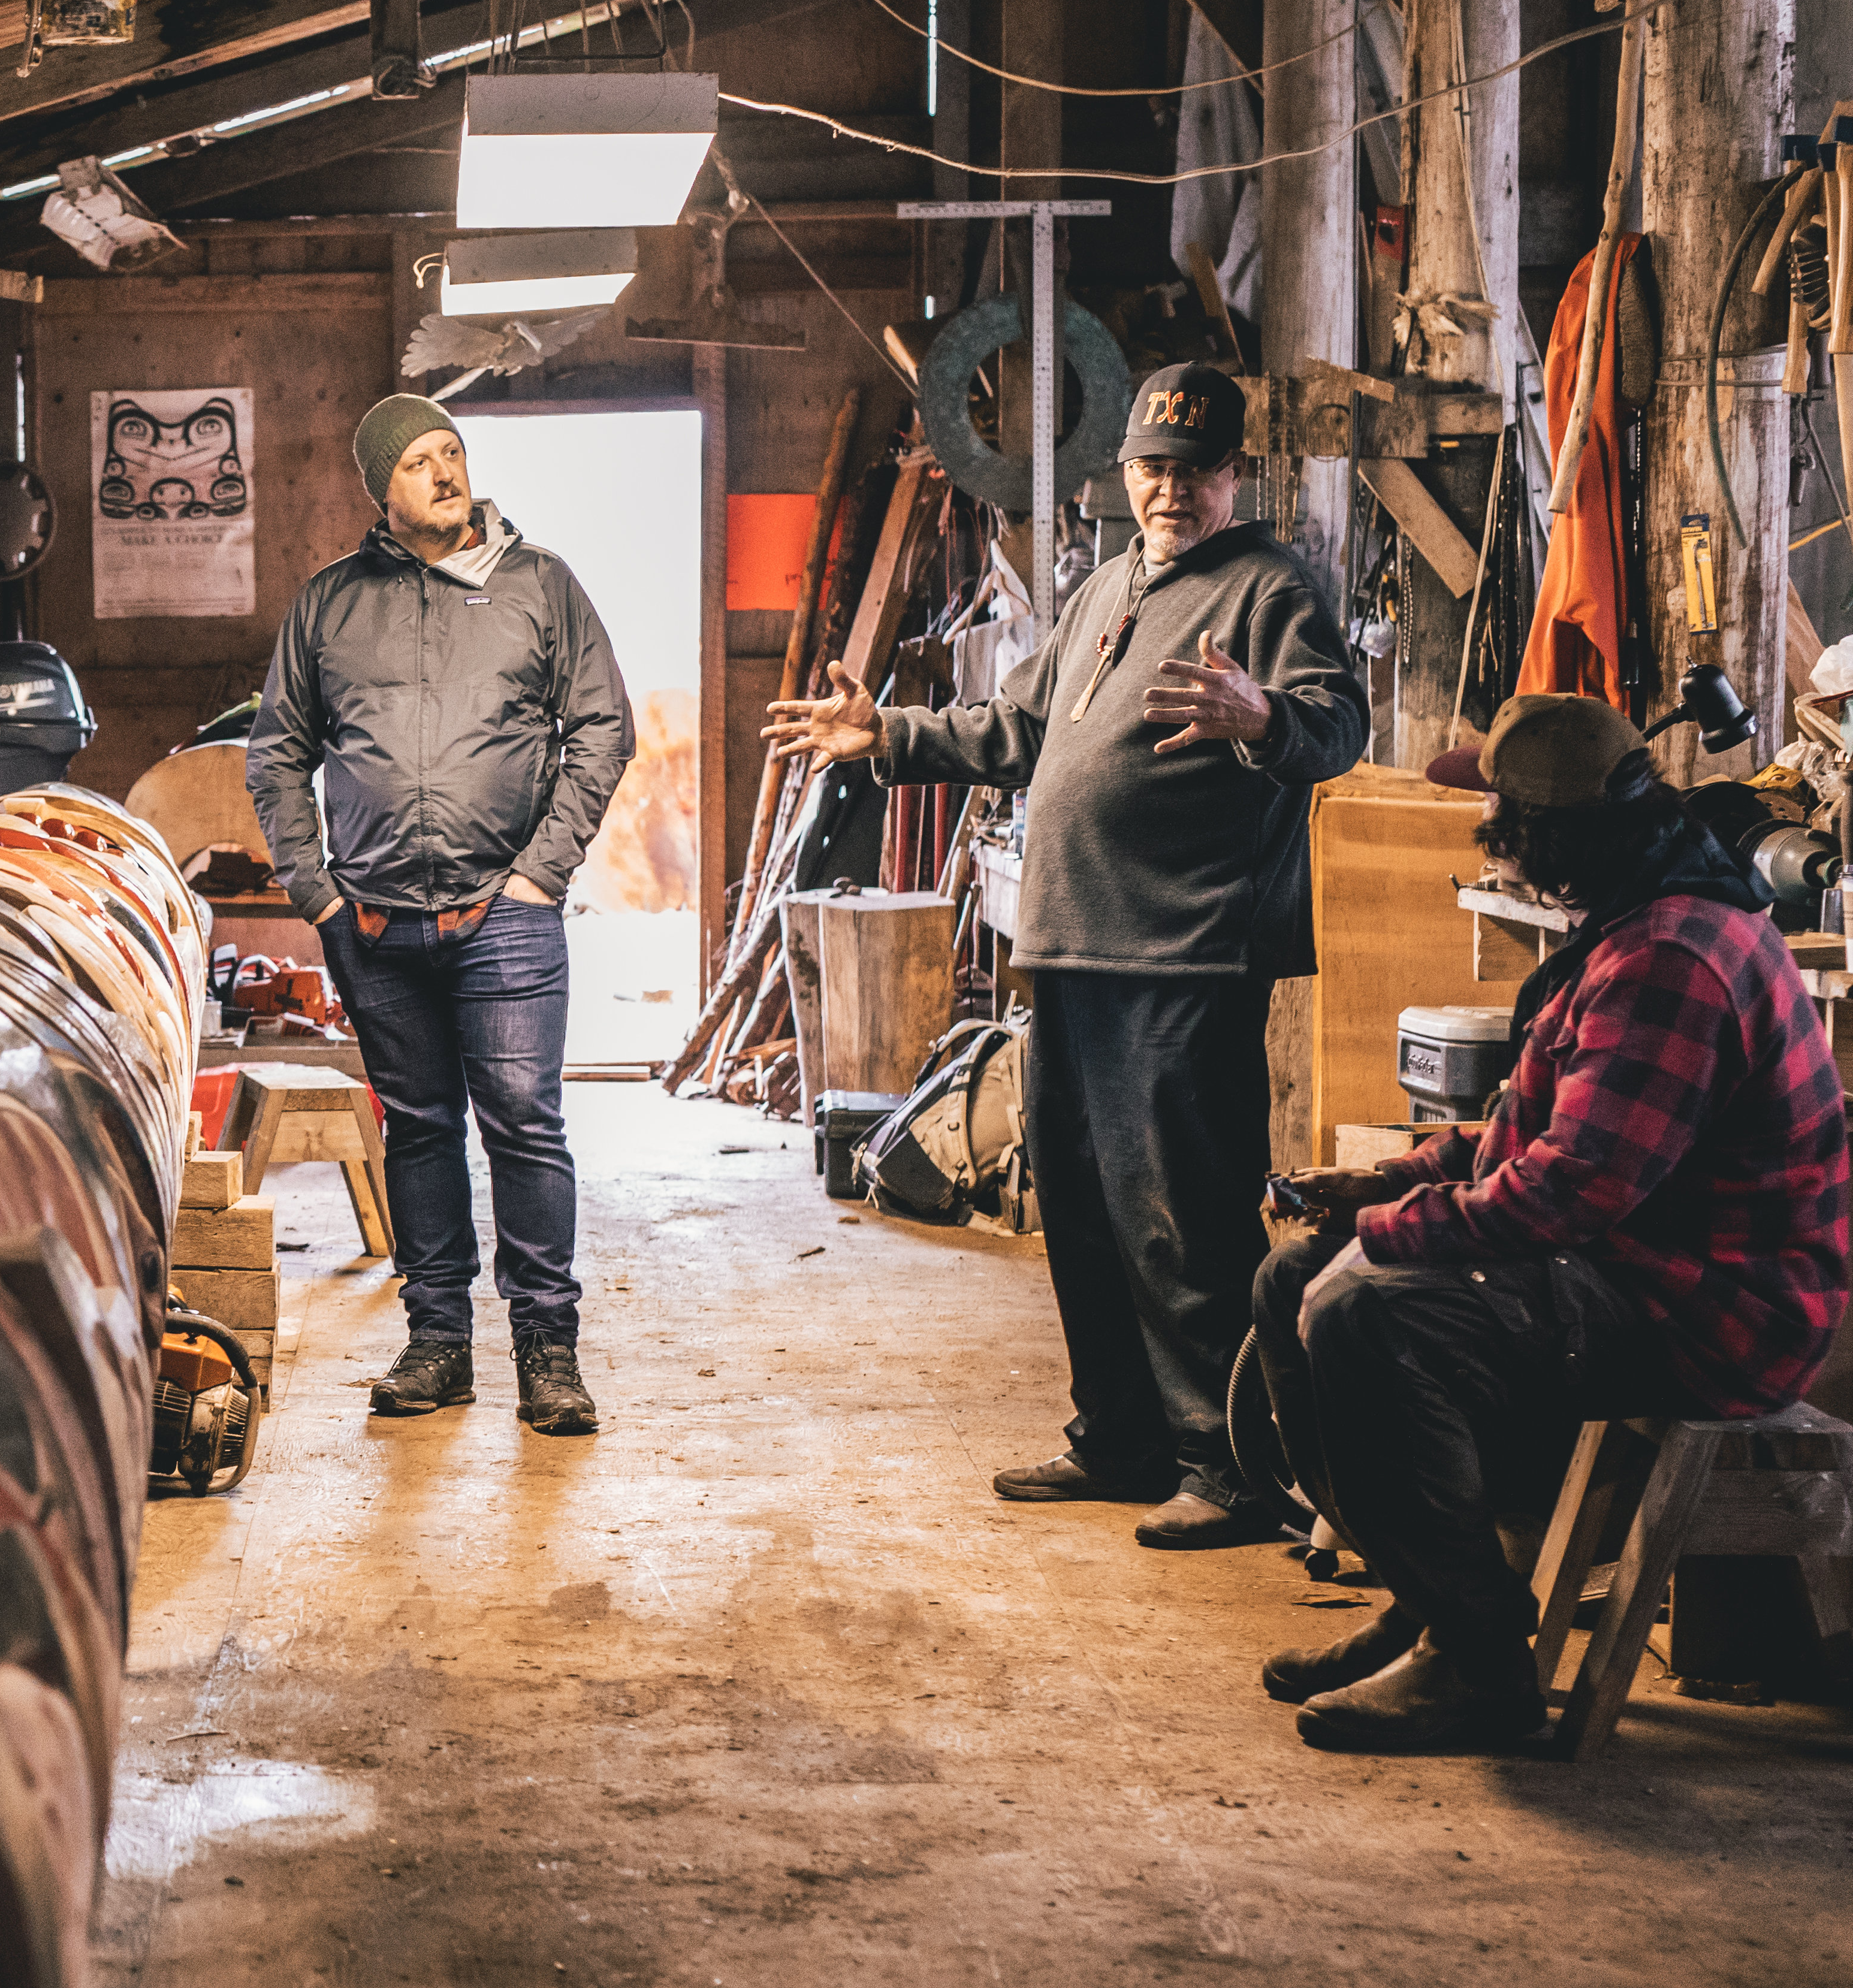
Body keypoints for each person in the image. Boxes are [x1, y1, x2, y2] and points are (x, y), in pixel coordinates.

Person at [764, 361, 1368, 1544]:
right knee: (1083, 1208)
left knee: (1180, 1220)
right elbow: (1018, 727)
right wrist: (882, 732)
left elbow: (1333, 728)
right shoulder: (1106, 588)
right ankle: (1122, 1439)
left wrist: (1263, 721)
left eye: (1192, 471)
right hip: (1074, 947)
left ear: (1232, 475)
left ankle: (1227, 1466)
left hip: (1181, 955)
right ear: (1126, 473)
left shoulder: (1268, 589)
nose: (1168, 490)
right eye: (1150, 467)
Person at [1251, 694, 1850, 1752]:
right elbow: (1526, 1136)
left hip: (1711, 1315)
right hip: (1639, 1263)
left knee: (1365, 1317)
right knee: (1292, 1281)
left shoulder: (1674, 955)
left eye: (1501, 816)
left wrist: (1388, 1236)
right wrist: (1381, 1187)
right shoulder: (1629, 914)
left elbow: (1565, 1194)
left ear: (1546, 835)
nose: (1489, 834)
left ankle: (1480, 1664)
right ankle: (1429, 1598)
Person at [245, 394, 634, 1431]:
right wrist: (316, 891)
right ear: (381, 490)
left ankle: (548, 1352)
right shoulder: (331, 603)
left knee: (524, 1127)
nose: (445, 471)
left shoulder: (538, 585)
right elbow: (275, 750)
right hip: (374, 924)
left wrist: (542, 873)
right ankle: (437, 1344)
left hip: (505, 914)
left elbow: (603, 725)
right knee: (418, 1132)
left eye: (452, 452)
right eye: (418, 460)